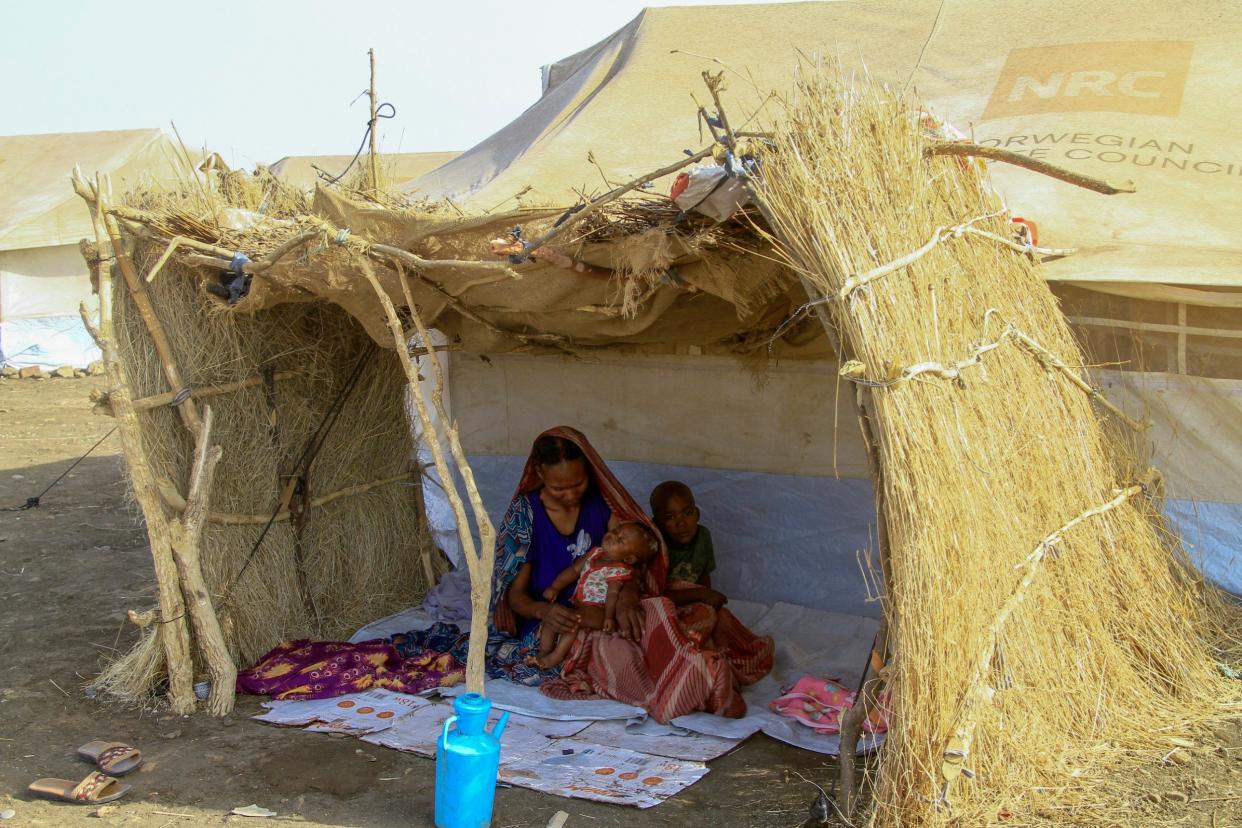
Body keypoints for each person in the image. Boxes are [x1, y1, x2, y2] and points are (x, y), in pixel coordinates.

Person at [488, 426, 774, 722]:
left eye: (579, 483)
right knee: (616, 650)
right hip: (559, 622)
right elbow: (514, 596)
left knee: (663, 610)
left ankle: (699, 670)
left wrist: (628, 592)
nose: (571, 495)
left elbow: (636, 556)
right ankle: (681, 688)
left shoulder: (601, 504)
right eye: (560, 488)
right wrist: (543, 610)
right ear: (539, 473)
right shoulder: (525, 516)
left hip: (606, 604)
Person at [528, 522, 661, 669]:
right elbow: (573, 571)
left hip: (599, 611)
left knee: (571, 622)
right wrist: (555, 587)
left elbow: (612, 594)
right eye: (616, 531)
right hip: (581, 606)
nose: (612, 536)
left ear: (629, 559)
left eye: (621, 540)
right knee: (554, 616)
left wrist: (609, 617)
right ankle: (542, 652)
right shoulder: (594, 554)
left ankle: (554, 657)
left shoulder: (618, 570)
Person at [650, 480, 728, 609]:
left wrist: (707, 601)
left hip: (693, 601)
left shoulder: (703, 537)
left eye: (687, 513)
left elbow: (704, 575)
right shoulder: (654, 545)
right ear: (657, 524)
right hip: (663, 606)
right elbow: (653, 595)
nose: (681, 523)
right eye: (670, 517)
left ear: (697, 514)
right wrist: (699, 594)